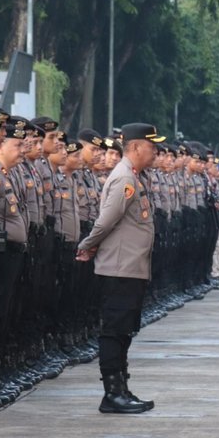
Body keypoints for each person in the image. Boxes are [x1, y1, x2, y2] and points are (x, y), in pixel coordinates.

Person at [76, 123, 164, 414]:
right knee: (114, 331)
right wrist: (87, 245)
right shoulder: (125, 178)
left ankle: (122, 388)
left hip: (130, 267)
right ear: (136, 147)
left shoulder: (134, 177)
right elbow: (106, 219)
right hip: (119, 268)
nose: (155, 153)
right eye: (152, 147)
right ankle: (112, 394)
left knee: (124, 330)